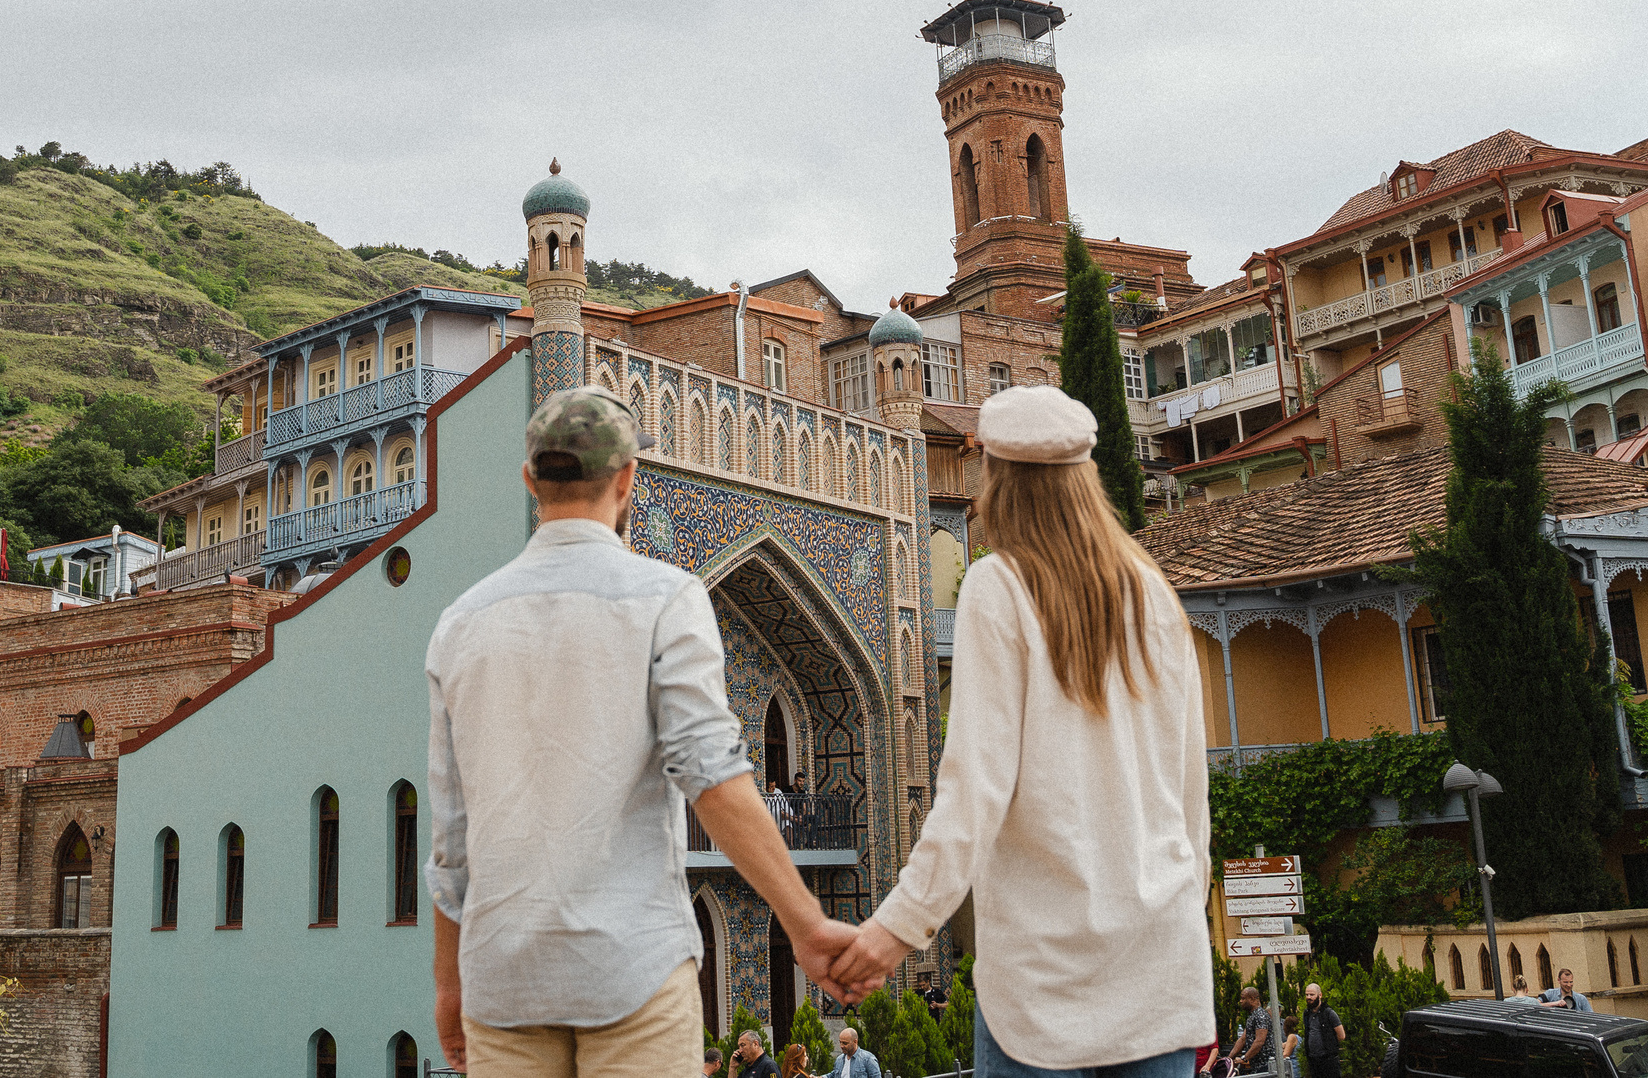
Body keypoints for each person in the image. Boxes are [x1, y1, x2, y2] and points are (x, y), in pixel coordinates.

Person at [427, 387, 858, 1076]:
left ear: (530, 479)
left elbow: (450, 837)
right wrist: (806, 922)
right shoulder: (666, 599)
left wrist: (448, 981)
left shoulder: (461, 623)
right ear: (628, 477)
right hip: (632, 968)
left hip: (503, 978)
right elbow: (711, 778)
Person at [830, 385, 1215, 1078]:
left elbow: (975, 791)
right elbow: (1192, 793)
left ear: (999, 478)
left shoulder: (999, 587)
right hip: (1159, 958)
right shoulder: (1154, 592)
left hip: (1044, 974)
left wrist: (895, 929)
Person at [1217, 988, 1274, 1077]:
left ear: (1252, 999)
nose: (1240, 1001)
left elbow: (1259, 1041)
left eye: (1243, 998)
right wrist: (1228, 1059)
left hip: (1266, 1065)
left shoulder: (1261, 1015)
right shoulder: (1252, 1016)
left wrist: (1244, 1058)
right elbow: (1243, 1039)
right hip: (1256, 1066)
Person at [1299, 984, 1343, 1078]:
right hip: (1313, 1060)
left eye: (1312, 995)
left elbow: (1341, 1035)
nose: (1309, 997)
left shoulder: (1329, 1013)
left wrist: (1330, 1046)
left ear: (1320, 995)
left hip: (1328, 1061)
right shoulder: (1306, 1014)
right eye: (1307, 995)